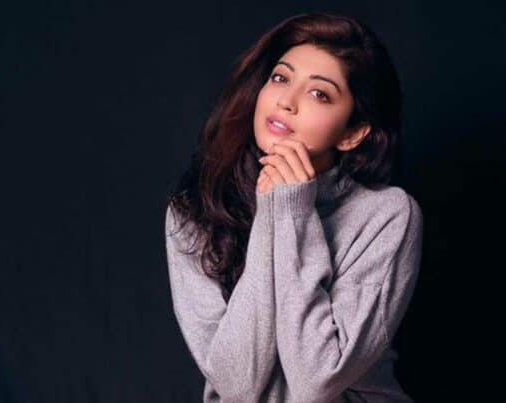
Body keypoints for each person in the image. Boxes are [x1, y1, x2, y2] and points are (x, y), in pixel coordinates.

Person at [164, 12, 423, 403]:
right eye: (280, 78)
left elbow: (316, 380)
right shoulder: (195, 212)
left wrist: (292, 211)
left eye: (319, 94)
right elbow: (236, 384)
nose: (286, 101)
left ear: (353, 133)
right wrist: (273, 208)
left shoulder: (387, 216)